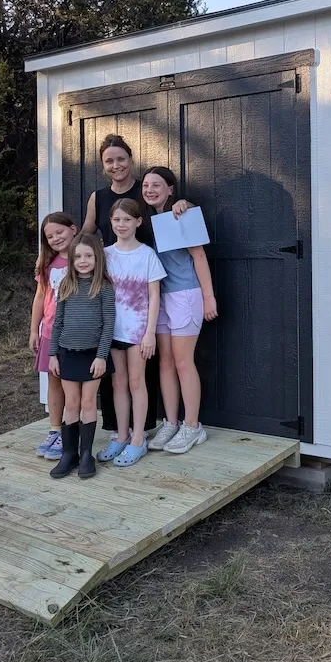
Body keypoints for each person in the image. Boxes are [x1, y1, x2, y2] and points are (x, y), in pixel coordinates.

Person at [80, 133, 188, 435]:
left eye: (121, 159)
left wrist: (184, 203)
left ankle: (146, 428)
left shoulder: (146, 191)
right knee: (115, 374)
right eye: (109, 161)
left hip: (150, 286)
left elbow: (172, 203)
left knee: (145, 366)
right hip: (113, 294)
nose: (116, 165)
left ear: (130, 160)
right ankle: (118, 429)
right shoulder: (97, 198)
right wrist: (58, 261)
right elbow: (86, 236)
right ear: (103, 165)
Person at [142, 167, 218, 454]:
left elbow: (199, 256)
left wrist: (209, 298)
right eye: (146, 185)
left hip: (185, 295)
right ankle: (171, 422)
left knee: (184, 362)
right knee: (165, 363)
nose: (150, 189)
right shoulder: (145, 220)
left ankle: (193, 426)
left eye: (157, 185)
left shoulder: (181, 214)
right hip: (159, 299)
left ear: (171, 189)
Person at [96, 199, 166, 467]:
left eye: (127, 219)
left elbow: (154, 296)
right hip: (111, 331)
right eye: (117, 220)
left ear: (138, 222)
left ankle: (138, 438)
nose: (122, 224)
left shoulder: (147, 255)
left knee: (138, 384)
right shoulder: (105, 254)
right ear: (111, 223)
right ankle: (121, 435)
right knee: (118, 384)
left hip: (137, 333)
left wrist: (150, 333)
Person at [47, 233, 115, 479]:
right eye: (78, 256)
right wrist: (53, 353)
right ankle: (69, 453)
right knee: (71, 403)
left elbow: (109, 325)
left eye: (88, 256)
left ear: (97, 257)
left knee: (88, 403)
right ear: (72, 259)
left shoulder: (104, 287)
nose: (83, 261)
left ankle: (86, 453)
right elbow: (57, 323)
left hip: (92, 356)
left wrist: (101, 356)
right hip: (67, 353)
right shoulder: (66, 285)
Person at [29, 212, 77, 461]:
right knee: (54, 382)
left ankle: (71, 432)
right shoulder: (47, 264)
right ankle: (55, 430)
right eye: (50, 236)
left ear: (73, 229)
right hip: (49, 332)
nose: (56, 238)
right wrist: (34, 330)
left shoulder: (84, 259)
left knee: (72, 384)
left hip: (76, 334)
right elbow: (40, 297)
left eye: (60, 232)